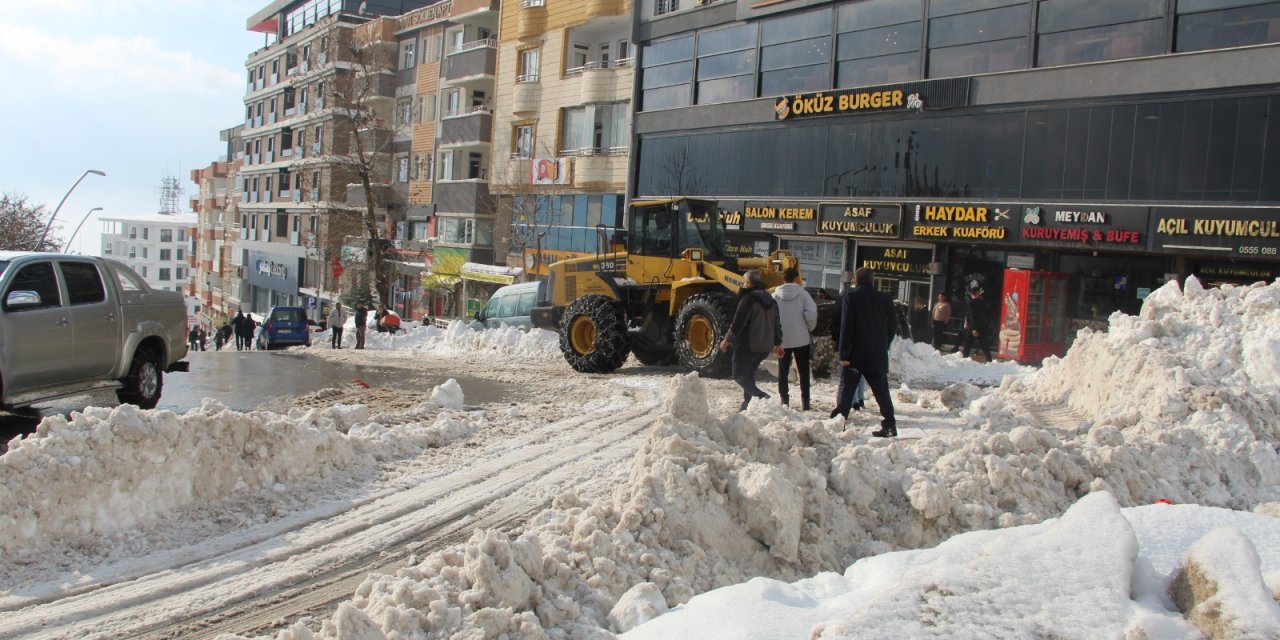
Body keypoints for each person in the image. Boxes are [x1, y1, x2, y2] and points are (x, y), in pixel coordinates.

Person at [831, 268, 898, 437]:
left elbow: (847, 326)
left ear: (855, 280)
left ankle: (838, 423)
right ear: (873, 280)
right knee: (882, 392)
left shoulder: (851, 296)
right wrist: (884, 344)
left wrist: (844, 353)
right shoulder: (885, 299)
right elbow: (892, 327)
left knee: (846, 390)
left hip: (855, 354)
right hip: (877, 353)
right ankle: (889, 425)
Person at [718, 269, 782, 411]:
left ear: (747, 283)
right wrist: (778, 344)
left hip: (748, 345)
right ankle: (747, 405)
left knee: (738, 374)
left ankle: (762, 397)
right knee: (748, 374)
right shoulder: (771, 300)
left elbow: (738, 323)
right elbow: (777, 324)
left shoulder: (748, 299)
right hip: (765, 346)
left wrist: (727, 340)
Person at [773, 267, 817, 410]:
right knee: (803, 371)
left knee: (783, 371)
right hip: (801, 340)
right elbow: (811, 313)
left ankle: (784, 401)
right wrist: (809, 328)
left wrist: (775, 336)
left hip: (782, 340)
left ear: (782, 278)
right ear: (796, 278)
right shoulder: (803, 295)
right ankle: (805, 402)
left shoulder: (775, 295)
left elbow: (771, 317)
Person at [961, 286, 994, 362]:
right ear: (978, 293)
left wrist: (974, 329)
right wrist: (986, 325)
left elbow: (972, 316)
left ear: (972, 294)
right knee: (984, 345)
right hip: (982, 327)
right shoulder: (983, 302)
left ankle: (964, 361)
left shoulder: (971, 303)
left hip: (973, 326)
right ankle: (990, 361)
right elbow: (989, 315)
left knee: (968, 345)